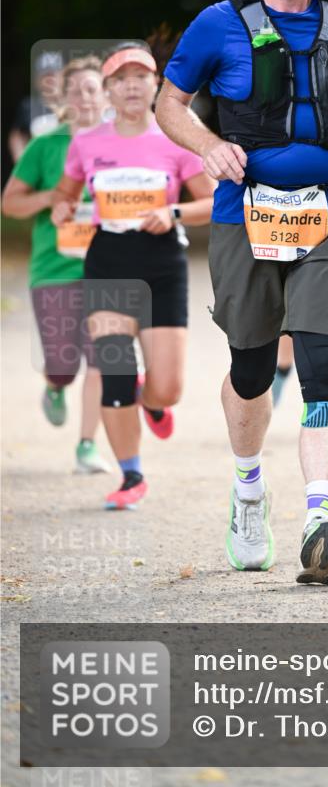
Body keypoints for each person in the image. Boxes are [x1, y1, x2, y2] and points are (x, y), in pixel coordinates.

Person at [156, 0, 328, 584]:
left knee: (323, 360)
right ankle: (249, 488)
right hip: (245, 213)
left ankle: (321, 517)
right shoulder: (215, 25)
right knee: (253, 368)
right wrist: (206, 146)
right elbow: (171, 103)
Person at [51, 41, 215, 509]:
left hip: (162, 262)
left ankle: (154, 397)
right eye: (119, 79)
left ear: (155, 84)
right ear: (107, 90)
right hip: (109, 262)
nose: (130, 87)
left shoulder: (177, 139)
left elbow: (210, 203)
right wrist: (63, 208)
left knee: (168, 388)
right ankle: (130, 475)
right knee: (116, 369)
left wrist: (175, 212)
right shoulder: (87, 142)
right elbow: (65, 194)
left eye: (139, 77)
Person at [2, 56, 111, 473]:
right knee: (64, 363)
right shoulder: (45, 146)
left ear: (106, 94)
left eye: (92, 88)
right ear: (63, 98)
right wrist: (51, 198)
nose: (85, 96)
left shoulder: (123, 143)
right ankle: (55, 384)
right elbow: (9, 203)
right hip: (54, 268)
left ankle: (86, 446)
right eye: (76, 89)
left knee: (104, 356)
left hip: (110, 266)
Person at [8, 51, 64, 161]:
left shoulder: (75, 104)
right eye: (45, 75)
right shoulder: (28, 106)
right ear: (37, 80)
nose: (50, 80)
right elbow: (17, 135)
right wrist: (22, 163)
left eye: (54, 75)